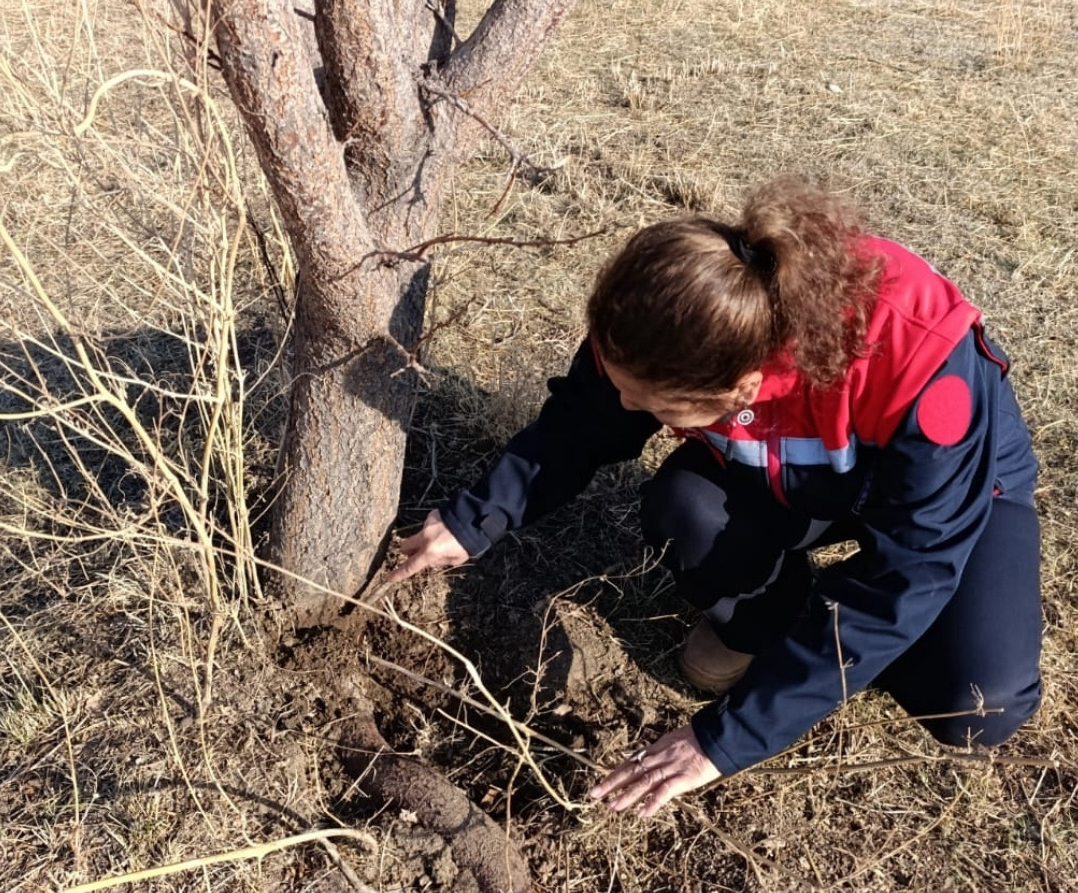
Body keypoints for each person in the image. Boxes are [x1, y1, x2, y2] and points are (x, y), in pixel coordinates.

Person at [388, 178, 1043, 818]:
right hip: (792, 472)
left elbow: (908, 576)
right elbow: (587, 422)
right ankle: (766, 626)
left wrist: (724, 739)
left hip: (948, 487)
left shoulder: (921, 363)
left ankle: (822, 649)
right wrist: (474, 519)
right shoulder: (664, 313)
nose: (626, 407)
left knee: (977, 703)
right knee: (685, 509)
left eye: (650, 404)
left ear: (742, 391)